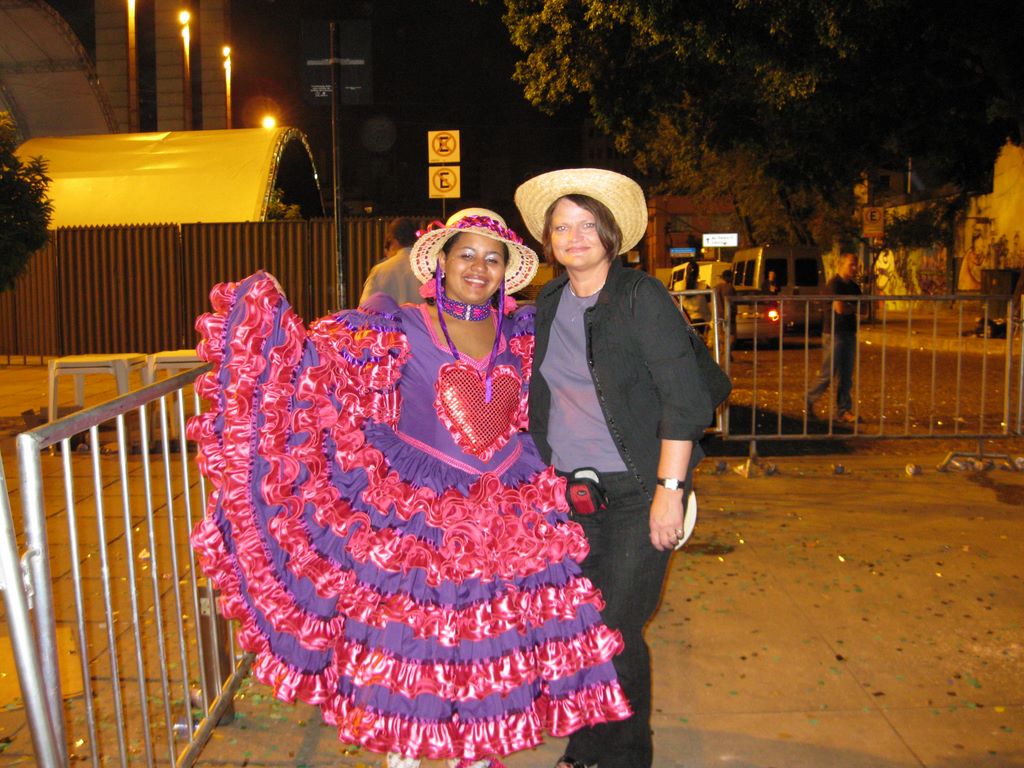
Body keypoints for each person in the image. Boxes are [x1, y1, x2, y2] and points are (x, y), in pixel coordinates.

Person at [188, 209, 632, 768]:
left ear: (506, 272)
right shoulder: (395, 324)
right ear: (441, 261)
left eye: (492, 259)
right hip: (422, 500)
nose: (479, 267)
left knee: (485, 634)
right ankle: (408, 753)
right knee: (421, 634)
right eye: (466, 254)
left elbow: (587, 380)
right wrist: (271, 326)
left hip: (509, 503)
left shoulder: (524, 331)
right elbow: (321, 369)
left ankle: (470, 749)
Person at [514, 169, 715, 768]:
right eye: (561, 227)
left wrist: (669, 491)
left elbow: (686, 401)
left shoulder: (639, 297)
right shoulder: (549, 303)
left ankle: (627, 756)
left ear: (610, 233)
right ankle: (585, 746)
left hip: (637, 492)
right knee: (579, 632)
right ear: (549, 240)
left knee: (617, 631)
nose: (574, 236)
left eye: (586, 224)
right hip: (569, 498)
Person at [806, 252, 862, 423]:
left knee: (846, 375)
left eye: (855, 265)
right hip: (834, 333)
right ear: (841, 265)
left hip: (849, 332)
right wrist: (850, 307)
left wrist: (849, 306)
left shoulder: (854, 287)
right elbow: (840, 309)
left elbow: (862, 308)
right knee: (828, 373)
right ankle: (809, 398)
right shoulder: (834, 284)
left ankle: (844, 410)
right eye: (851, 264)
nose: (854, 268)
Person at [359, 217, 424, 305]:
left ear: (394, 241)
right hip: (423, 319)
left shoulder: (380, 271)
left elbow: (365, 308)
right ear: (416, 239)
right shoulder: (429, 267)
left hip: (390, 319)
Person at [712, 268, 736, 359]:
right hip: (728, 314)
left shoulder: (715, 287)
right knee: (731, 335)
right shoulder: (729, 288)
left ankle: (722, 352)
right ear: (728, 278)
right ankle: (727, 352)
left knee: (721, 334)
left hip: (717, 315)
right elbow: (732, 302)